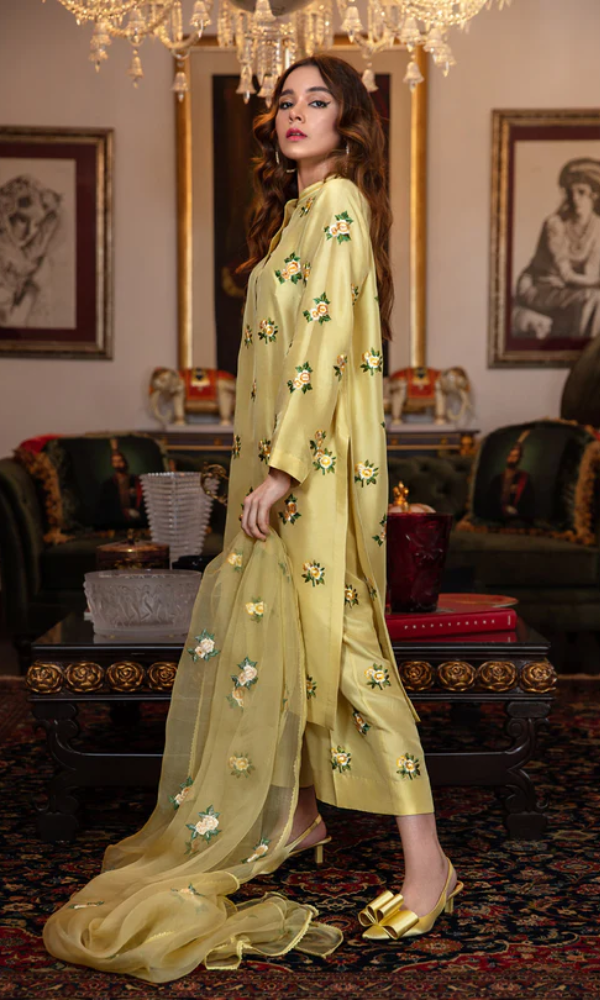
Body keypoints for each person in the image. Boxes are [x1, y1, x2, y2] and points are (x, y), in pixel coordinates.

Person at [42, 56, 462, 982]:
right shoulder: (292, 219)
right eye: (284, 102)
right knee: (281, 644)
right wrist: (263, 468)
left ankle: (429, 864)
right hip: (278, 467)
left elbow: (324, 349)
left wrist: (281, 470)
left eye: (319, 100)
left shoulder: (340, 203)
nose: (296, 113)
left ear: (350, 122)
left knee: (347, 656)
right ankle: (300, 816)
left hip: (310, 473)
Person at [514, 158, 600, 340]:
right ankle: (580, 350)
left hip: (568, 290)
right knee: (593, 297)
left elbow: (591, 271)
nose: (574, 198)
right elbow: (566, 275)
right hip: (539, 288)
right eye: (570, 192)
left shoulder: (598, 228)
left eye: (581, 192)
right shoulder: (555, 224)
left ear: (594, 195)